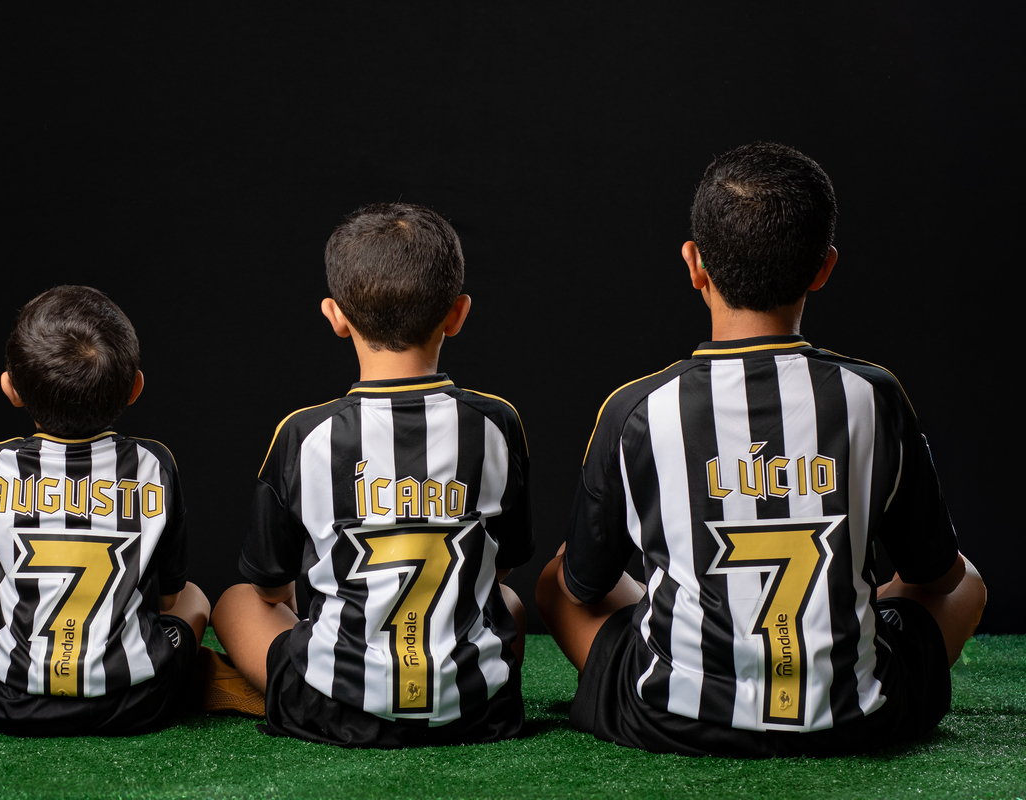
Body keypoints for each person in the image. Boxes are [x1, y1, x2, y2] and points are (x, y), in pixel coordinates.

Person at [535, 143, 986, 757]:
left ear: (695, 264)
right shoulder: (872, 396)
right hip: (857, 718)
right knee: (970, 584)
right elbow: (941, 575)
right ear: (823, 269)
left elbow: (584, 588)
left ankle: (689, 661)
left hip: (667, 718)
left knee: (556, 580)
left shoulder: (637, 408)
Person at [210, 202, 533, 747]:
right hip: (480, 713)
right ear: (457, 313)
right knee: (511, 601)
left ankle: (318, 674)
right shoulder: (496, 423)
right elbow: (502, 566)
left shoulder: (303, 434)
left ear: (335, 316)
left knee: (236, 600)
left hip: (329, 711)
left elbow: (268, 583)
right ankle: (452, 689)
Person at [0, 285, 219, 736]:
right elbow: (170, 599)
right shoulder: (155, 464)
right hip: (141, 702)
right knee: (196, 595)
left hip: (10, 703)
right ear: (135, 387)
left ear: (11, 388)